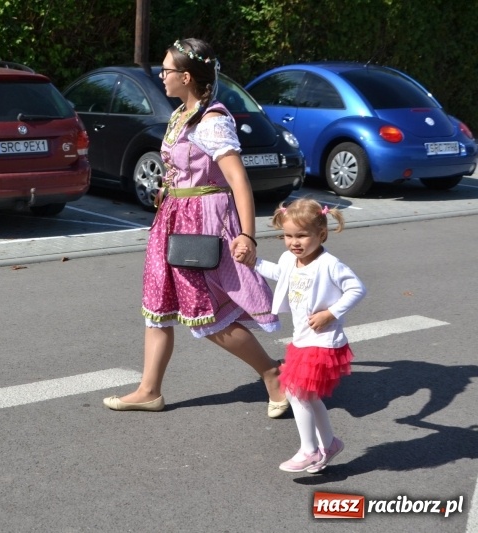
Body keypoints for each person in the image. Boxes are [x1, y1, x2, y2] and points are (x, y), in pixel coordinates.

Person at [102, 38, 288, 418]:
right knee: (157, 305)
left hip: (202, 224)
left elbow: (238, 181)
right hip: (172, 218)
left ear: (186, 77)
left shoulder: (212, 121)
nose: (161, 76)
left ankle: (273, 374)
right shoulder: (181, 114)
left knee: (206, 312)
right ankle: (149, 390)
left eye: (166, 70)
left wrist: (247, 235)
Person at [244, 198, 366, 472]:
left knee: (297, 393)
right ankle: (330, 444)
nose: (294, 242)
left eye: (301, 235)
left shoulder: (329, 264)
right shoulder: (290, 259)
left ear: (321, 234)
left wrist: (330, 313)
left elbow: (357, 289)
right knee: (308, 396)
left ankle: (309, 450)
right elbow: (280, 273)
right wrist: (253, 262)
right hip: (302, 339)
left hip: (323, 341)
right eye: (288, 236)